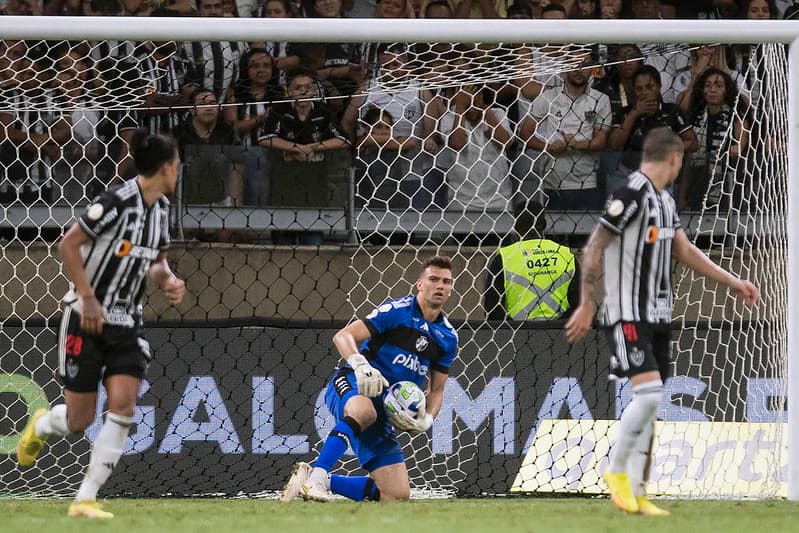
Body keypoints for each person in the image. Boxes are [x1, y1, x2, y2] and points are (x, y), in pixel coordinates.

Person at [564, 127, 759, 516]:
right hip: (627, 313)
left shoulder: (665, 202)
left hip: (658, 314)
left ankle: (637, 492)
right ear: (674, 158)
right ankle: (616, 472)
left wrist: (733, 281)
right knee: (650, 395)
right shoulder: (630, 195)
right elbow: (594, 247)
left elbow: (684, 250)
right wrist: (587, 303)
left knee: (649, 403)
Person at [15, 130, 187, 519]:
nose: (179, 170)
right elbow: (68, 244)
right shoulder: (115, 202)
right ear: (165, 167)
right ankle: (43, 424)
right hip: (85, 318)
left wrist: (169, 280)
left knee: (124, 405)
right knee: (80, 420)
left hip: (127, 322)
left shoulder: (160, 210)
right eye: (176, 164)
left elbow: (155, 261)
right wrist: (89, 297)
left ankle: (85, 499)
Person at [280, 255, 459, 503]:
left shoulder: (447, 337)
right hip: (354, 383)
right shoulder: (396, 312)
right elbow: (343, 336)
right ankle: (317, 479)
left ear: (451, 288)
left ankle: (317, 480)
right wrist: (360, 364)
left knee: (396, 495)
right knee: (364, 412)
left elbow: (437, 390)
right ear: (420, 284)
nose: (440, 285)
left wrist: (427, 418)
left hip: (385, 408)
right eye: (434, 279)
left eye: (446, 282)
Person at [484, 200, 579, 321]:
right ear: (543, 225)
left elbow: (492, 310)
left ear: (516, 226)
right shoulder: (566, 255)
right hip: (560, 333)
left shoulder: (505, 257)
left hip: (515, 334)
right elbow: (580, 305)